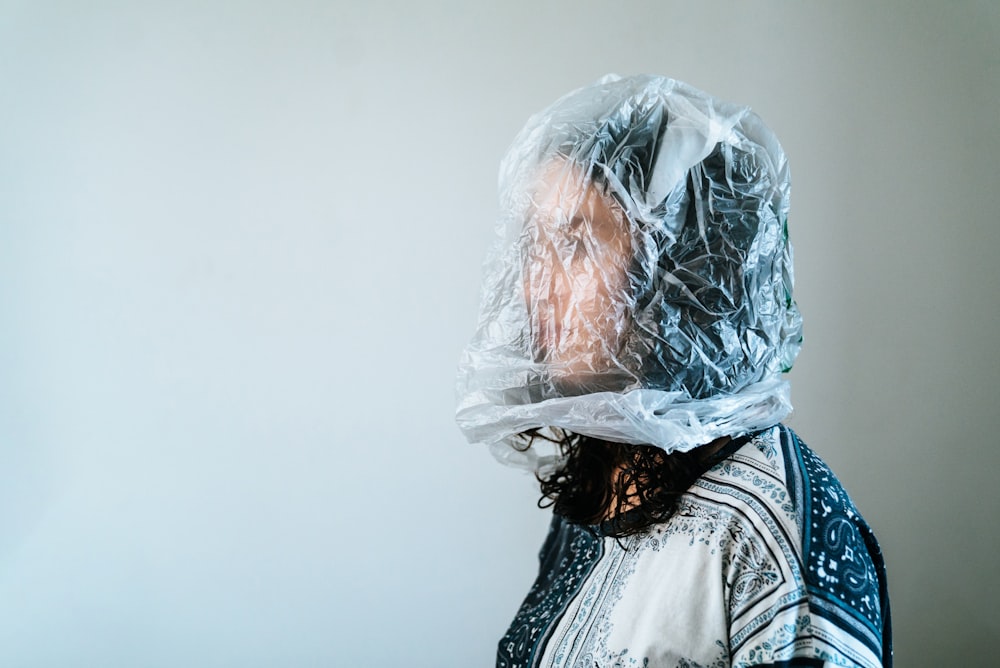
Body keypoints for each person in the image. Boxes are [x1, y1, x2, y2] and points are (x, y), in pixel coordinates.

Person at [456, 75, 891, 668]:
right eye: (535, 249)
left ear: (683, 264)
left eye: (576, 244)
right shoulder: (597, 487)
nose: (536, 287)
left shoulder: (775, 543)